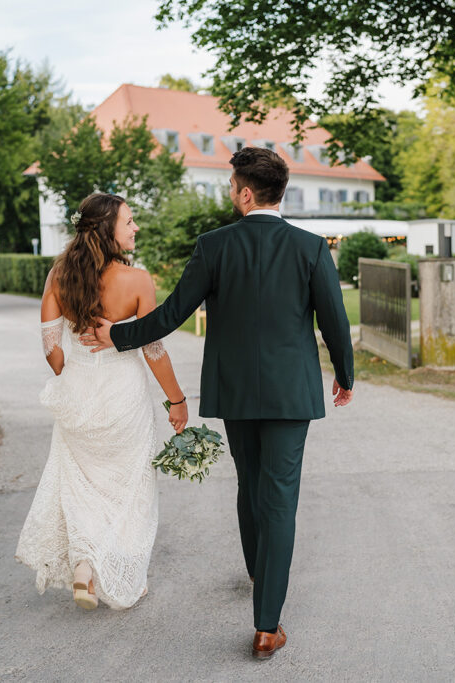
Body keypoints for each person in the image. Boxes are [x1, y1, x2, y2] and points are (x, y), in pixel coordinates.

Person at [81, 147, 354, 658]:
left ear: (246, 193)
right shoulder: (312, 248)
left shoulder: (214, 246)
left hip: (234, 392)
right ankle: (267, 623)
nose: (230, 193)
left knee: (251, 482)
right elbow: (335, 322)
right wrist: (345, 375)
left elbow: (169, 315)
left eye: (232, 186)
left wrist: (116, 336)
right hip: (291, 393)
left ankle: (259, 572)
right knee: (278, 494)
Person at [15, 192, 189, 610]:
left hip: (78, 394)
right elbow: (153, 350)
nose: (135, 228)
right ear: (107, 228)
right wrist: (176, 400)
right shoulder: (137, 280)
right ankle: (124, 579)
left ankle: (84, 567)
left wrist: (71, 373)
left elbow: (51, 348)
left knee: (83, 487)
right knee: (130, 489)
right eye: (129, 222)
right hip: (122, 398)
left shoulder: (59, 273)